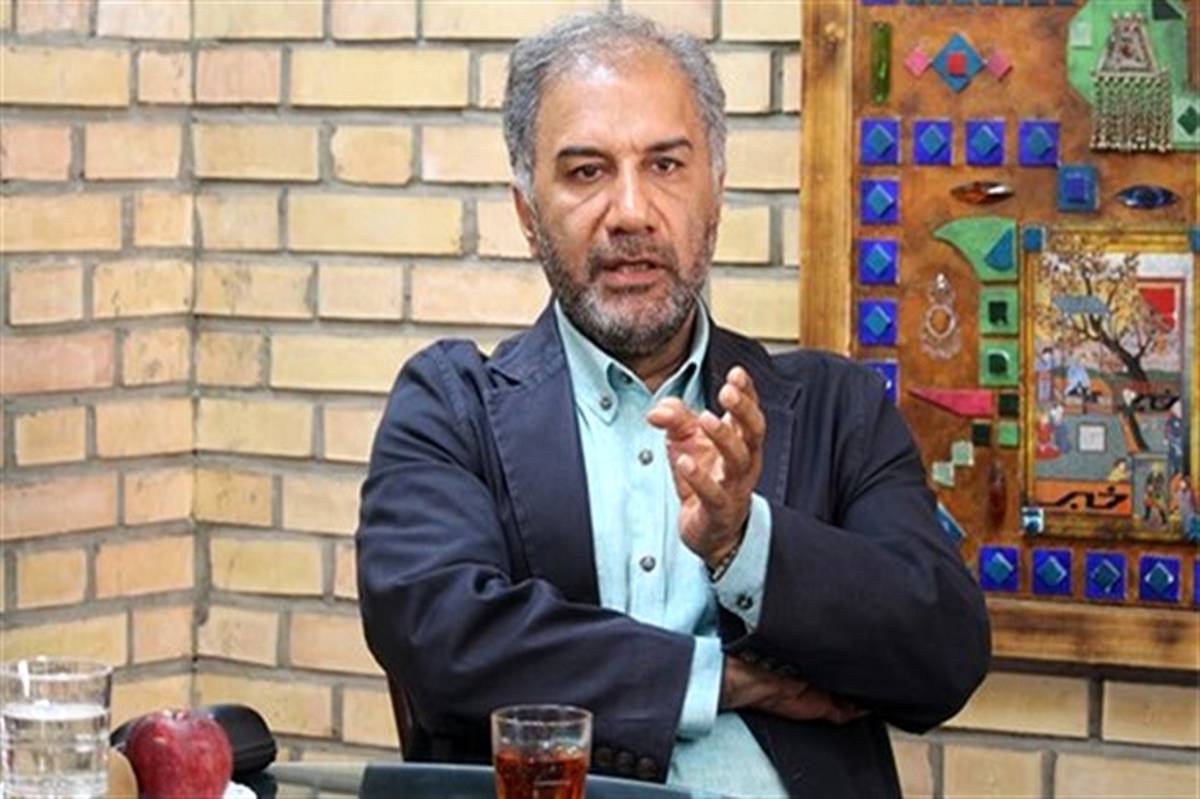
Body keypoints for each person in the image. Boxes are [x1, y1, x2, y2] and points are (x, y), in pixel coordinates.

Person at [357, 13, 990, 798]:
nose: (631, 211)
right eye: (586, 172)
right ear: (527, 214)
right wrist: (715, 678)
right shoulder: (453, 410)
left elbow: (943, 653)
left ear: (714, 193)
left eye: (665, 165)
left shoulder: (838, 410)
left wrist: (744, 544)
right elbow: (441, 633)